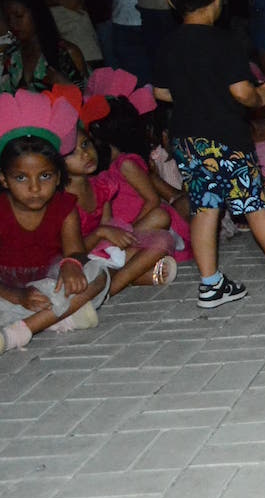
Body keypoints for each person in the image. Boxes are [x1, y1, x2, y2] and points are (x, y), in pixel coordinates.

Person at [151, 0, 265, 308]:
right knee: (252, 203)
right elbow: (241, 93)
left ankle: (210, 284)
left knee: (204, 207)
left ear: (170, 0)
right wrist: (260, 96)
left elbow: (161, 92)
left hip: (188, 140)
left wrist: (193, 93)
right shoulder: (223, 42)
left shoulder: (167, 44)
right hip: (227, 139)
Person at [0, 91, 110, 353]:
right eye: (21, 178)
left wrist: (71, 265)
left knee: (99, 275)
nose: (35, 188)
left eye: (45, 176)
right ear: (3, 179)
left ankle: (20, 331)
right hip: (7, 292)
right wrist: (17, 295)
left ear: (59, 177)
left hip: (48, 288)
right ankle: (52, 319)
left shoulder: (64, 207)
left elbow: (75, 251)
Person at [82, 67, 193, 259]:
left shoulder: (125, 164)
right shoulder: (106, 168)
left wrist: (131, 229)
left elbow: (152, 200)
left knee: (160, 216)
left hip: (141, 224)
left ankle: (119, 250)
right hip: (124, 226)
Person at [61, 120, 177, 294]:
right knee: (144, 256)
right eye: (72, 153)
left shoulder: (102, 185)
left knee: (162, 238)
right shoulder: (63, 202)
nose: (85, 154)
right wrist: (101, 233)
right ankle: (115, 285)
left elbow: (108, 224)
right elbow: (74, 252)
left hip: (105, 250)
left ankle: (112, 284)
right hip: (82, 261)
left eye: (85, 144)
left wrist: (113, 236)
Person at [1, 0, 87, 91]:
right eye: (8, 19)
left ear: (37, 12)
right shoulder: (12, 53)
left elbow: (87, 98)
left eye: (19, 16)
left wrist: (66, 85)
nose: (12, 24)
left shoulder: (66, 52)